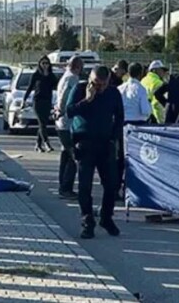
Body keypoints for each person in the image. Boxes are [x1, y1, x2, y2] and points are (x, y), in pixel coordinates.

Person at [67, 66, 124, 239]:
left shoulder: (113, 93)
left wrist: (114, 138)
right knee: (85, 186)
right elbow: (69, 111)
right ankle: (87, 221)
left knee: (112, 184)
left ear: (108, 81)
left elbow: (119, 117)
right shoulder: (79, 89)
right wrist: (87, 99)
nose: (98, 88)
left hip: (105, 143)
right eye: (95, 83)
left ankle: (106, 217)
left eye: (102, 84)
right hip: (84, 143)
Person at [117, 63, 152, 198]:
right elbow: (145, 110)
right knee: (135, 159)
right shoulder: (141, 89)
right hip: (137, 126)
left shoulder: (121, 88)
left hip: (122, 125)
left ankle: (116, 187)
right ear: (140, 73)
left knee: (121, 157)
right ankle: (130, 188)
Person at [55, 56, 83, 200]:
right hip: (67, 122)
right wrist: (61, 110)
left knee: (65, 155)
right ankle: (66, 187)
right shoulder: (72, 78)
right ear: (77, 66)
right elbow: (65, 96)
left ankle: (63, 186)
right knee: (72, 156)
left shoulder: (65, 76)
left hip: (62, 122)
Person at [24, 56, 59, 153]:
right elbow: (30, 87)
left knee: (43, 123)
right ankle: (46, 143)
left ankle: (38, 145)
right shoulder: (36, 75)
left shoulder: (51, 76)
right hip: (38, 101)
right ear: (40, 64)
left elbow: (57, 85)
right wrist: (25, 99)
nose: (45, 65)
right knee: (42, 123)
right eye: (43, 63)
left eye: (46, 63)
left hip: (47, 101)